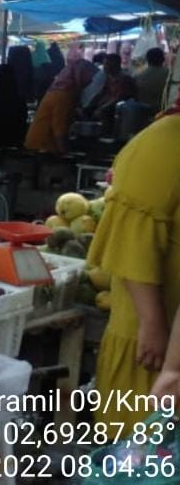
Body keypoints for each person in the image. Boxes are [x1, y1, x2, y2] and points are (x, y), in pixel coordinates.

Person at [86, 93, 180, 427]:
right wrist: (152, 322)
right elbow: (131, 241)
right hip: (154, 335)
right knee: (141, 454)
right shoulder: (164, 141)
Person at [24, 55, 97, 154]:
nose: (90, 81)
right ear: (80, 75)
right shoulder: (64, 95)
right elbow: (59, 129)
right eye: (89, 76)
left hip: (40, 143)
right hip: (43, 147)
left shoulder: (61, 89)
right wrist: (65, 154)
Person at [86, 53, 136, 122]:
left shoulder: (125, 79)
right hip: (106, 106)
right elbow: (102, 92)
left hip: (116, 110)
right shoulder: (110, 77)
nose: (104, 67)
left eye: (106, 64)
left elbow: (120, 98)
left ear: (115, 65)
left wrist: (102, 109)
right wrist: (90, 104)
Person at [134, 48, 169, 113]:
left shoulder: (137, 76)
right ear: (163, 59)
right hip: (163, 113)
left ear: (147, 60)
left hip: (142, 113)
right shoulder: (170, 75)